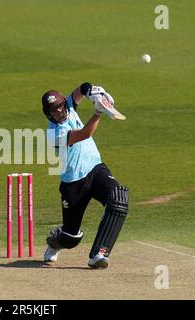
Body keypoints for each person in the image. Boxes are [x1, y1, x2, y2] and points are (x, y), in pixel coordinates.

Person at [41, 82, 129, 269]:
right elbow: (85, 133)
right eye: (54, 111)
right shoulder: (53, 133)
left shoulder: (69, 106)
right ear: (49, 115)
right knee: (71, 237)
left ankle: (99, 253)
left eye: (61, 107)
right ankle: (55, 241)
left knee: (118, 198)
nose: (60, 112)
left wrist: (92, 90)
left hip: (95, 169)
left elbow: (80, 89)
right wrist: (98, 112)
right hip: (73, 184)